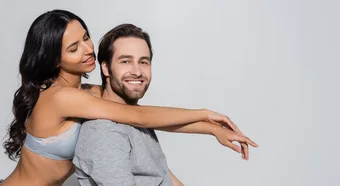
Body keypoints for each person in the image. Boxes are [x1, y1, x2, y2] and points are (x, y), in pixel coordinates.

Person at [1, 9, 258, 186]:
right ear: (54, 58)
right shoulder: (60, 97)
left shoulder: (87, 93)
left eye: (86, 37)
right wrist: (205, 113)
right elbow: (140, 116)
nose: (88, 49)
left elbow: (146, 116)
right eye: (73, 48)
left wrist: (213, 129)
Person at [73, 23, 253, 186]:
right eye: (125, 61)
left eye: (143, 62)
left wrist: (214, 129)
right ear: (105, 68)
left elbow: (162, 175)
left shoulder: (135, 118)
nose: (137, 72)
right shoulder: (104, 133)